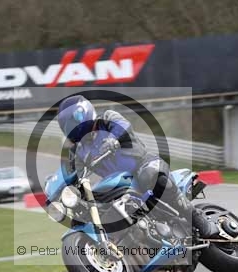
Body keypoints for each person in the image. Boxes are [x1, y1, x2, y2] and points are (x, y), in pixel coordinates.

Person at [57, 95, 219, 239]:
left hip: (143, 164)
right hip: (119, 184)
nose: (72, 128)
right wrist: (63, 188)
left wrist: (113, 139)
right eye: (67, 126)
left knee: (151, 176)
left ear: (84, 113)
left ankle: (197, 218)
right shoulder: (79, 150)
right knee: (99, 207)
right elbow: (74, 174)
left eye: (73, 122)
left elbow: (123, 125)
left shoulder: (106, 118)